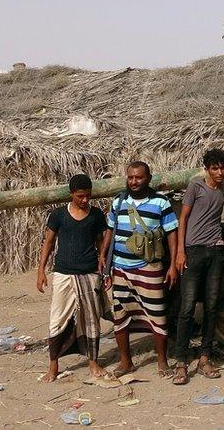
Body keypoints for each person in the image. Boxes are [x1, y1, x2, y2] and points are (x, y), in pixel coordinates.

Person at [98, 162, 179, 379]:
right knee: (121, 316)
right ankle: (126, 362)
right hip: (120, 268)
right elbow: (110, 229)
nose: (134, 181)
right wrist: (103, 255)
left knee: (157, 315)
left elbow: (172, 232)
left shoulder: (161, 202)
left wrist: (172, 264)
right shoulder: (119, 201)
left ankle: (162, 361)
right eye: (131, 177)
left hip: (150, 267)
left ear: (148, 178)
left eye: (139, 178)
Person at [172, 148, 224, 385]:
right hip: (193, 251)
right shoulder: (196, 187)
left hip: (215, 251)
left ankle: (204, 358)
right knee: (187, 307)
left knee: (212, 306)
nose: (220, 172)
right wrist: (181, 252)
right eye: (215, 168)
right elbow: (183, 218)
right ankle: (181, 362)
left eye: (223, 167)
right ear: (207, 169)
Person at [36, 174, 112, 382]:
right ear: (71, 194)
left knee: (91, 320)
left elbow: (101, 243)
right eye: (80, 196)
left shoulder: (96, 215)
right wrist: (41, 271)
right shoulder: (58, 215)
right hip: (63, 273)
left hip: (89, 273)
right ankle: (53, 367)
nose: (85, 200)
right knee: (58, 318)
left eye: (88, 196)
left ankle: (93, 363)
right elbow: (48, 243)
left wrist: (104, 267)